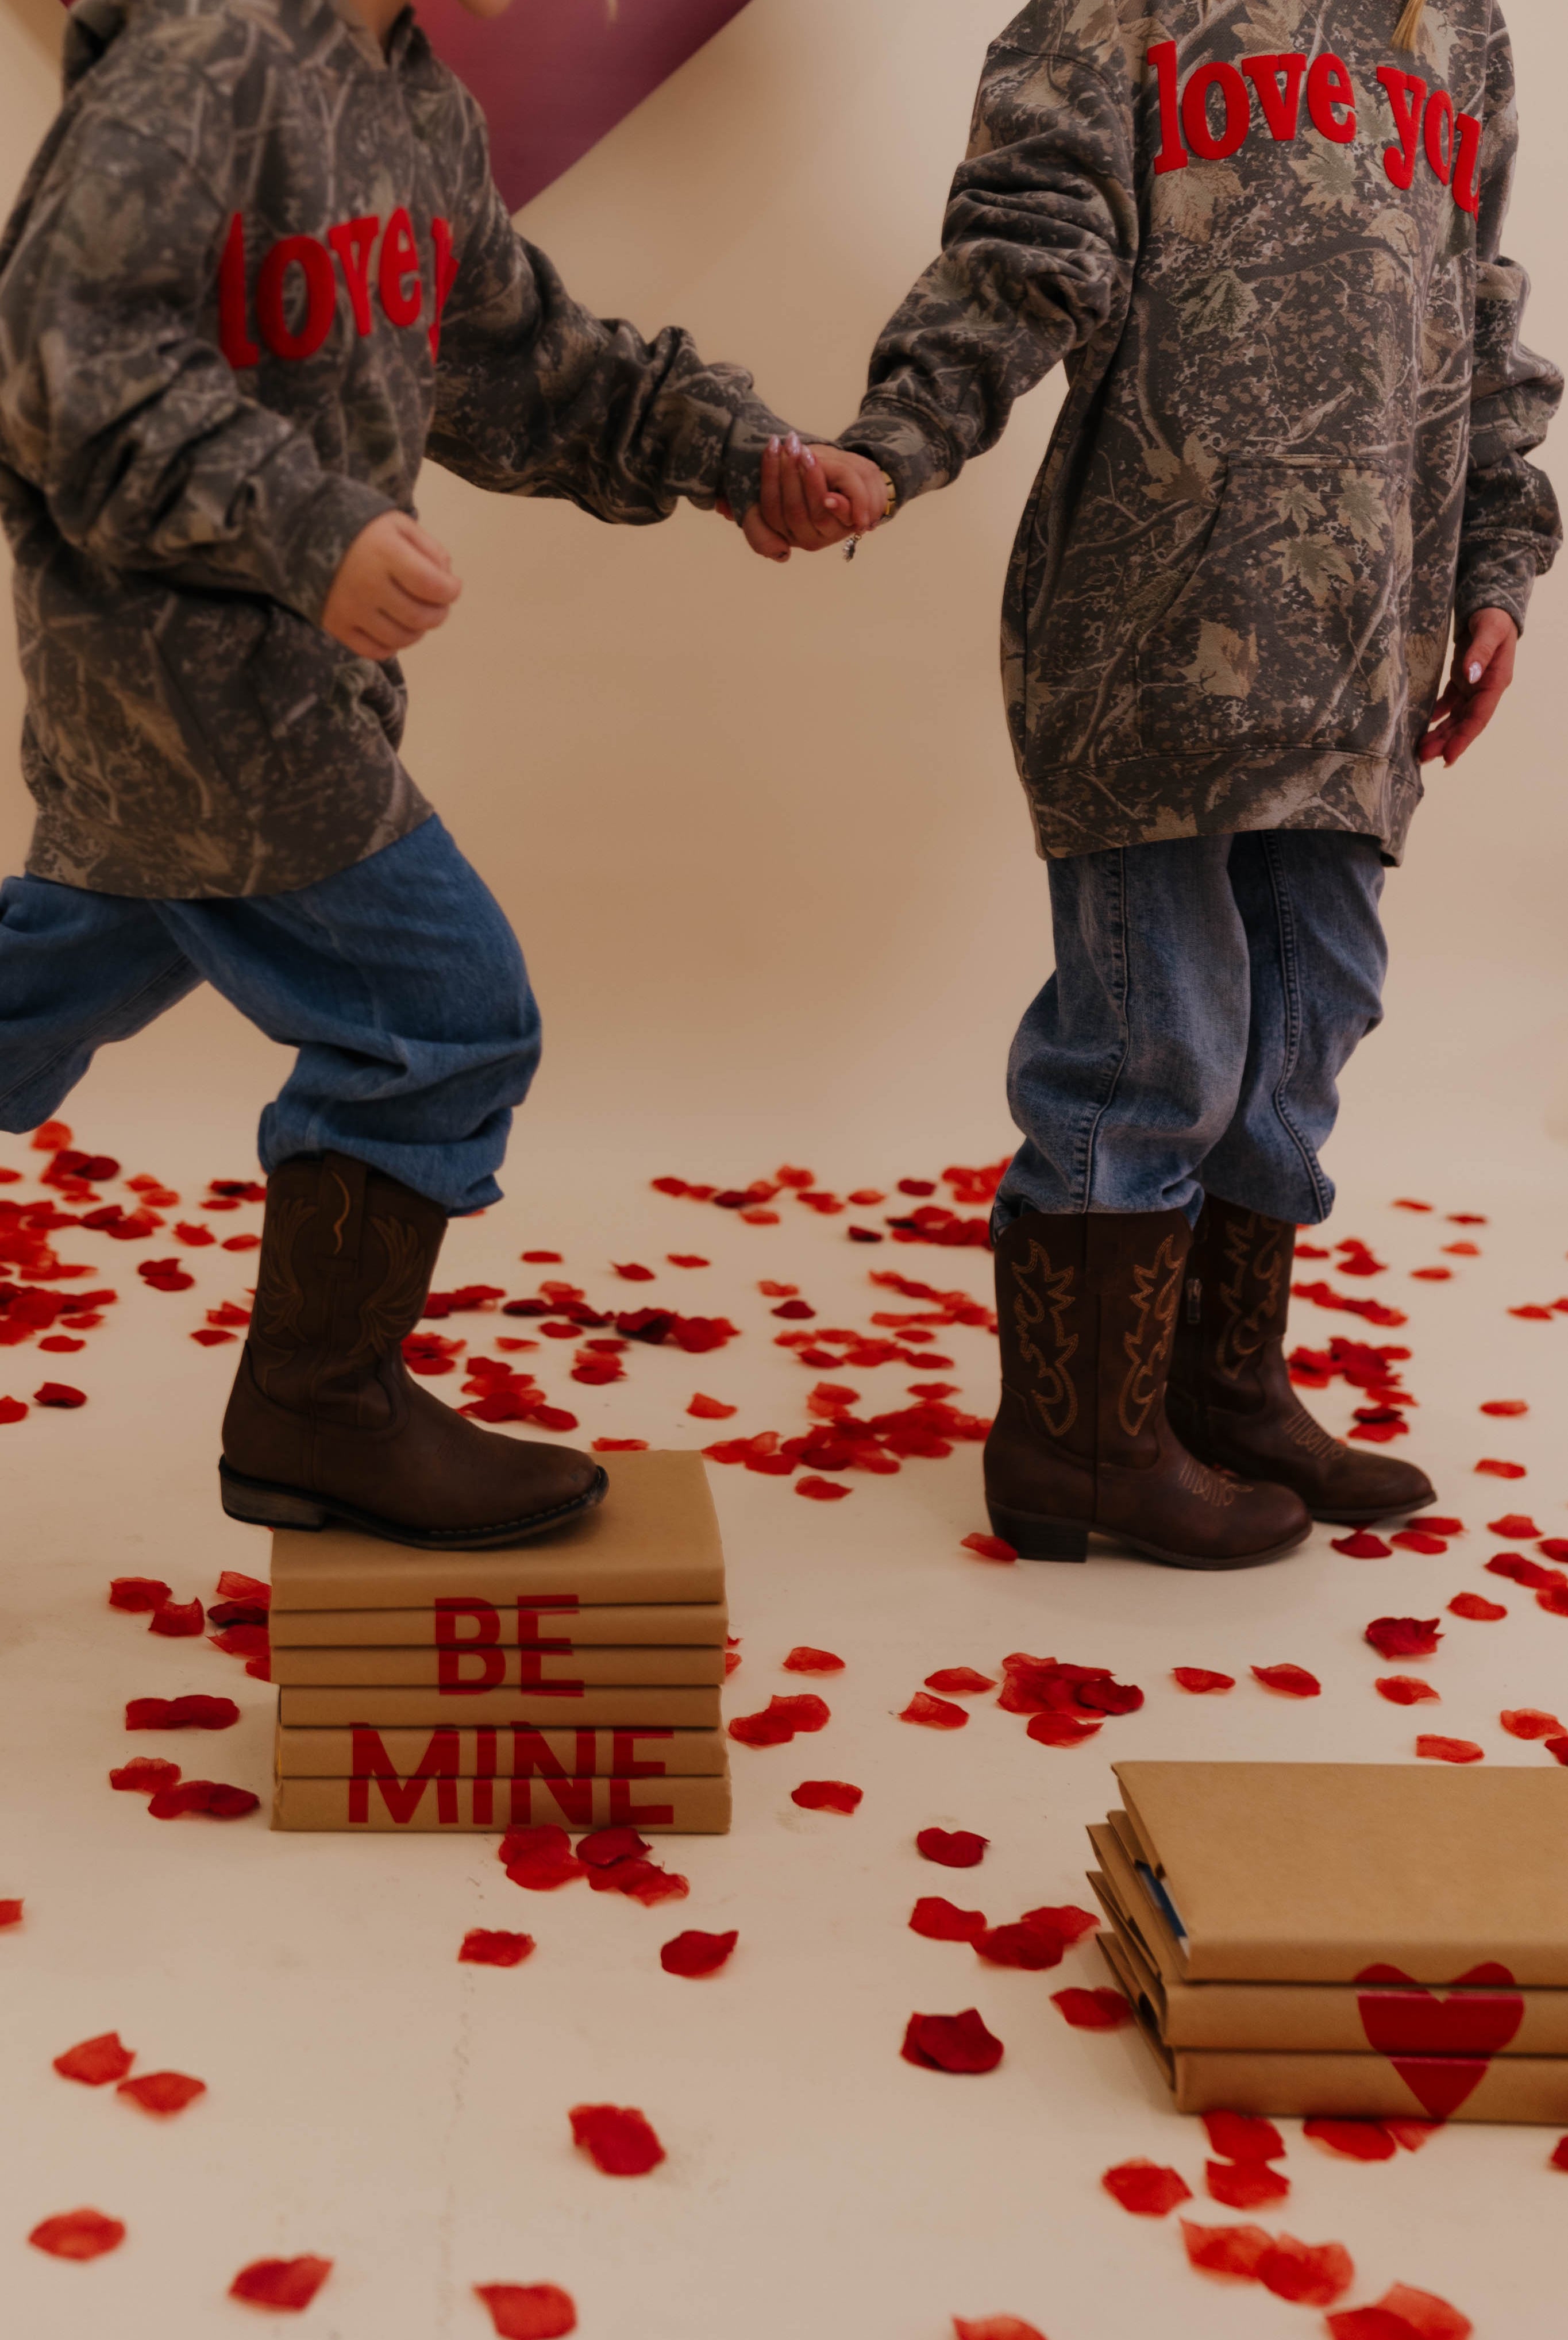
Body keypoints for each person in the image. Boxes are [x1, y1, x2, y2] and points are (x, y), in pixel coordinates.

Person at [0, 0, 885, 1551]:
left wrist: (734, 453)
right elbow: (58, 366)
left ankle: (319, 1408)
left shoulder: (412, 105)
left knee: (51, 982)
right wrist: (311, 528)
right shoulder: (205, 66)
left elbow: (519, 366)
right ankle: (318, 1411)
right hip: (190, 680)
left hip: (271, 684)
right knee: (445, 1012)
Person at [757, 0, 1560, 1568]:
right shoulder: (1121, 13)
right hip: (1160, 627)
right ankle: (1080, 1444)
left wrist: (1495, 566)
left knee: (1309, 1016)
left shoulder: (1455, 26)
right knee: (1154, 1037)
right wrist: (897, 438)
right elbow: (1025, 248)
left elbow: (1474, 304)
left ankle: (1217, 1390)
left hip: (1361, 638)